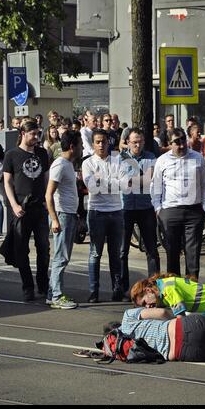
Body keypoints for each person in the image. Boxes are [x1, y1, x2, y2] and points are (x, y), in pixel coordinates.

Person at [151, 128, 205, 280]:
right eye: (177, 142)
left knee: (193, 253)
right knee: (172, 253)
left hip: (194, 211)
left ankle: (192, 291)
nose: (182, 145)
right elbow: (155, 186)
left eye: (183, 140)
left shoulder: (197, 158)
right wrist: (158, 209)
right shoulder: (162, 161)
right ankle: (175, 292)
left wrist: (204, 208)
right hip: (170, 211)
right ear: (169, 144)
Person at [2, 121, 50, 302]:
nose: (36, 138)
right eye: (33, 134)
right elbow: (7, 182)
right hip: (22, 209)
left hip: (40, 208)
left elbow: (46, 178)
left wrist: (47, 201)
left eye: (38, 134)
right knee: (21, 250)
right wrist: (14, 205)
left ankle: (43, 285)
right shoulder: (12, 155)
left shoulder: (42, 153)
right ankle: (28, 286)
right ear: (23, 133)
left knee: (44, 248)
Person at [82, 129, 123, 303]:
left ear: (108, 143)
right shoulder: (88, 163)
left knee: (115, 254)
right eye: (98, 142)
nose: (101, 145)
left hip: (116, 211)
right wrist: (109, 183)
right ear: (93, 144)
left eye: (104, 141)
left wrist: (102, 182)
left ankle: (117, 290)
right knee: (95, 253)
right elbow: (91, 187)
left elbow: (123, 184)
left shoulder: (118, 160)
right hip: (96, 212)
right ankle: (94, 291)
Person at [119, 128, 160, 297]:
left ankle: (153, 287)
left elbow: (152, 180)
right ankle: (122, 288)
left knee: (152, 250)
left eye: (140, 141)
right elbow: (122, 183)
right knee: (122, 251)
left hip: (146, 207)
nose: (137, 144)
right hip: (125, 208)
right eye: (134, 141)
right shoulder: (119, 159)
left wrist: (132, 180)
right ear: (127, 142)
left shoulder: (151, 158)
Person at [45, 130, 83, 309]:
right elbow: (48, 195)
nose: (82, 147)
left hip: (68, 215)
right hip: (62, 215)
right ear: (72, 146)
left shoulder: (67, 164)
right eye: (80, 144)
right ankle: (56, 296)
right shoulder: (60, 164)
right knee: (61, 257)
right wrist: (54, 220)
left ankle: (52, 293)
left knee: (62, 257)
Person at [130, 273, 205, 328]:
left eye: (145, 302)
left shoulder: (167, 289)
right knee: (201, 330)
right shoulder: (161, 290)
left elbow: (181, 320)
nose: (148, 307)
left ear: (148, 290)